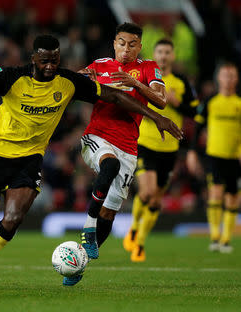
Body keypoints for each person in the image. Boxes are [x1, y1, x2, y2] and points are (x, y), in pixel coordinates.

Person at [0, 34, 183, 288]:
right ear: (34, 58)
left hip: (30, 159)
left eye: (54, 61)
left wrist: (158, 117)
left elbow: (114, 96)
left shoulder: (68, 81)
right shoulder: (12, 77)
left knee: (14, 218)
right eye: (45, 61)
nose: (50, 67)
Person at [71, 23, 171, 285]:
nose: (125, 49)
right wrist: (82, 78)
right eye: (121, 43)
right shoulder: (100, 65)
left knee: (110, 213)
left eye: (132, 44)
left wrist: (134, 82)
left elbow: (161, 100)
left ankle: (78, 263)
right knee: (109, 165)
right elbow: (76, 83)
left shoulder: (149, 68)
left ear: (140, 46)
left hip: (129, 145)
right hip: (98, 136)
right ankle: (88, 227)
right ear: (114, 43)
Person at [122, 39, 198, 262]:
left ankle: (140, 242)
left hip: (170, 148)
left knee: (156, 201)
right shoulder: (145, 75)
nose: (164, 56)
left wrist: (175, 102)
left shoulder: (182, 82)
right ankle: (134, 228)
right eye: (160, 52)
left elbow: (195, 112)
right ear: (154, 55)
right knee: (146, 192)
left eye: (167, 52)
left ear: (173, 56)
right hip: (145, 142)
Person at [186, 62, 241, 253]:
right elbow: (198, 128)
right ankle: (215, 236)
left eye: (232, 75)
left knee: (232, 197)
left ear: (237, 79)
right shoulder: (210, 101)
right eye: (225, 75)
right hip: (214, 154)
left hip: (235, 156)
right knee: (216, 192)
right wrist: (192, 152)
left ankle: (226, 239)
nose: (228, 79)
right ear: (219, 78)